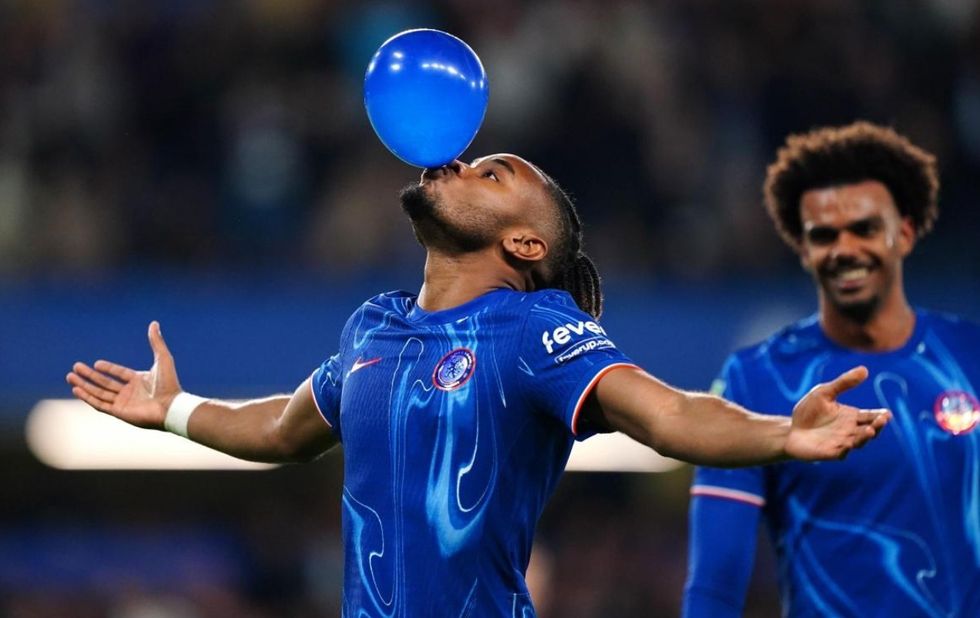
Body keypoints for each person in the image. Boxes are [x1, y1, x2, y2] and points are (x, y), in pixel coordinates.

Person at [67, 154, 889, 617]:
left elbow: (668, 414)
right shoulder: (372, 327)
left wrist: (783, 433)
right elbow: (282, 430)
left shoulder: (534, 331)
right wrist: (174, 410)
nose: (459, 160)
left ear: (525, 246)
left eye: (492, 175)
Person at [683, 122, 980, 618]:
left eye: (864, 229)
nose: (844, 249)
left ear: (905, 233)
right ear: (803, 249)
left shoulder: (970, 355)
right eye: (823, 235)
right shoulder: (755, 379)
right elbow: (715, 583)